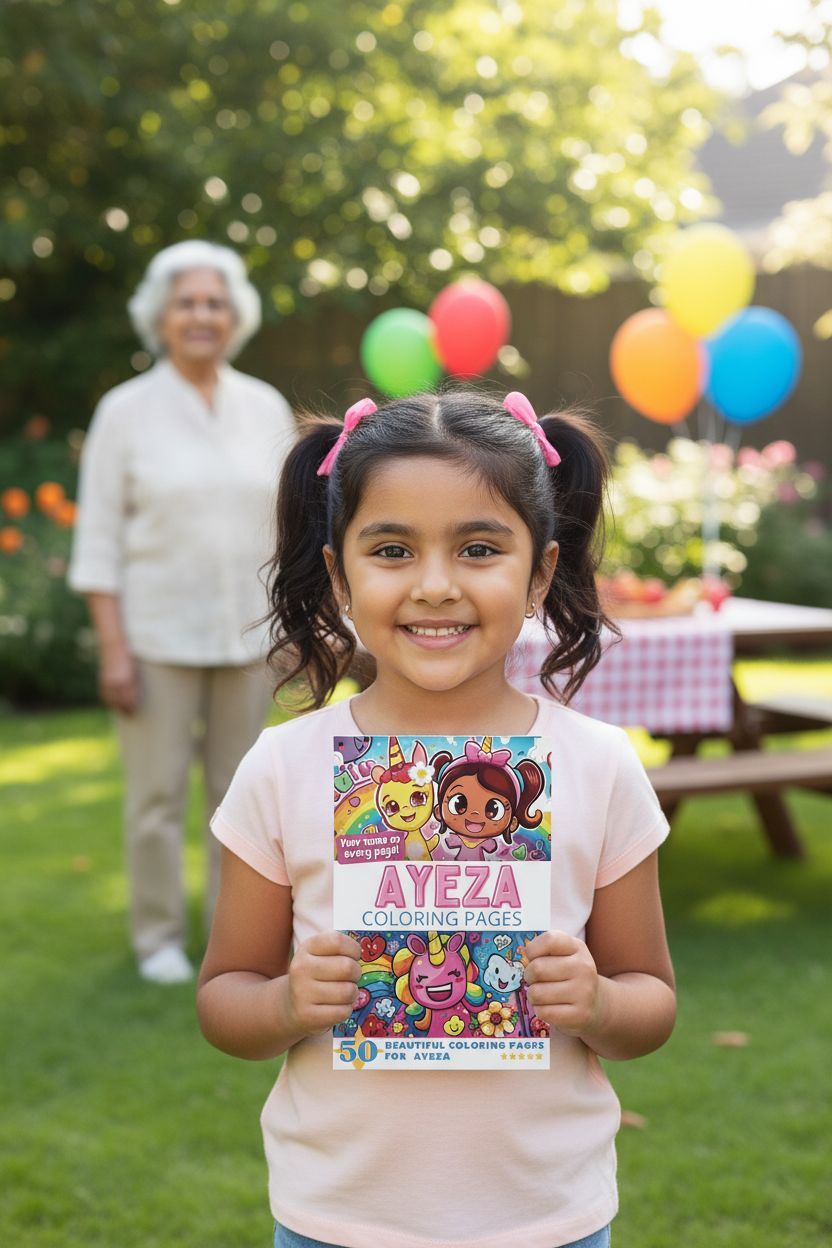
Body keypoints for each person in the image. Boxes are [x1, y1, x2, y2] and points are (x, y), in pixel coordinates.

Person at [197, 389, 676, 1248]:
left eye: (479, 549)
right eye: (392, 550)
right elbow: (225, 996)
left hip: (547, 1218)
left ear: (539, 574)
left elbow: (652, 1001)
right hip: (337, 1219)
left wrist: (599, 1002)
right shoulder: (283, 767)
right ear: (340, 575)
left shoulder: (599, 766)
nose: (435, 586)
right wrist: (287, 1004)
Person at [69, 240, 295, 985]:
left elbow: (286, 531)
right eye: (187, 302)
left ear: (236, 316)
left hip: (248, 639)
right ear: (160, 317)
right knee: (157, 798)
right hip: (154, 641)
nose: (202, 315)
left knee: (243, 801)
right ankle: (158, 937)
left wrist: (291, 628)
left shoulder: (264, 405)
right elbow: (98, 541)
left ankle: (235, 940)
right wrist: (113, 650)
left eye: (215, 303)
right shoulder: (124, 412)